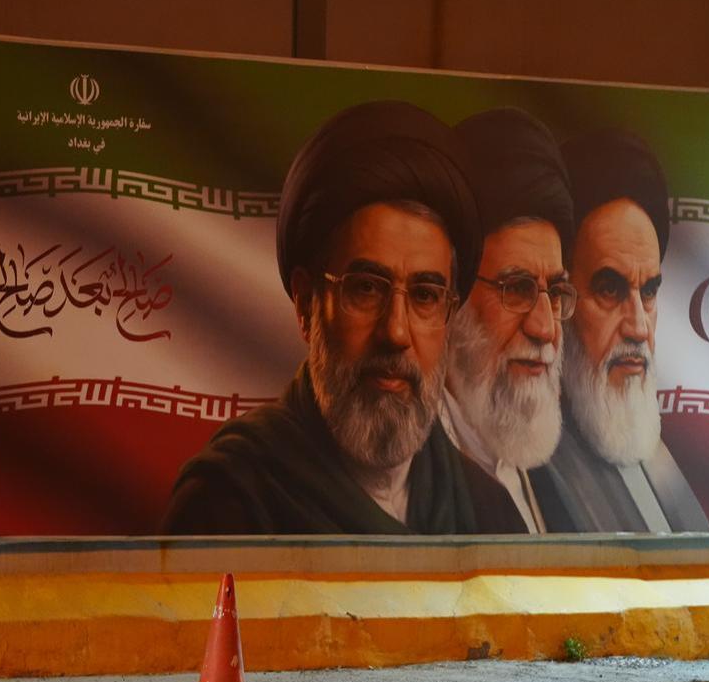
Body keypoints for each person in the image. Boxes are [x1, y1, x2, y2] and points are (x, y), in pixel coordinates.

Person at [160, 101, 525, 535]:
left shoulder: (487, 512)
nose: (395, 332)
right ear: (306, 303)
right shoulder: (228, 505)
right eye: (366, 288)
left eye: (425, 296)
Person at [533, 130, 709, 533]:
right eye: (609, 289)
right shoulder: (522, 472)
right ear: (557, 298)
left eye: (648, 292)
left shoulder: (649, 447)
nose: (638, 327)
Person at [442, 108, 576, 533]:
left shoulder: (554, 478)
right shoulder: (409, 480)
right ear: (454, 297)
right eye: (516, 289)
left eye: (555, 294)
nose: (545, 328)